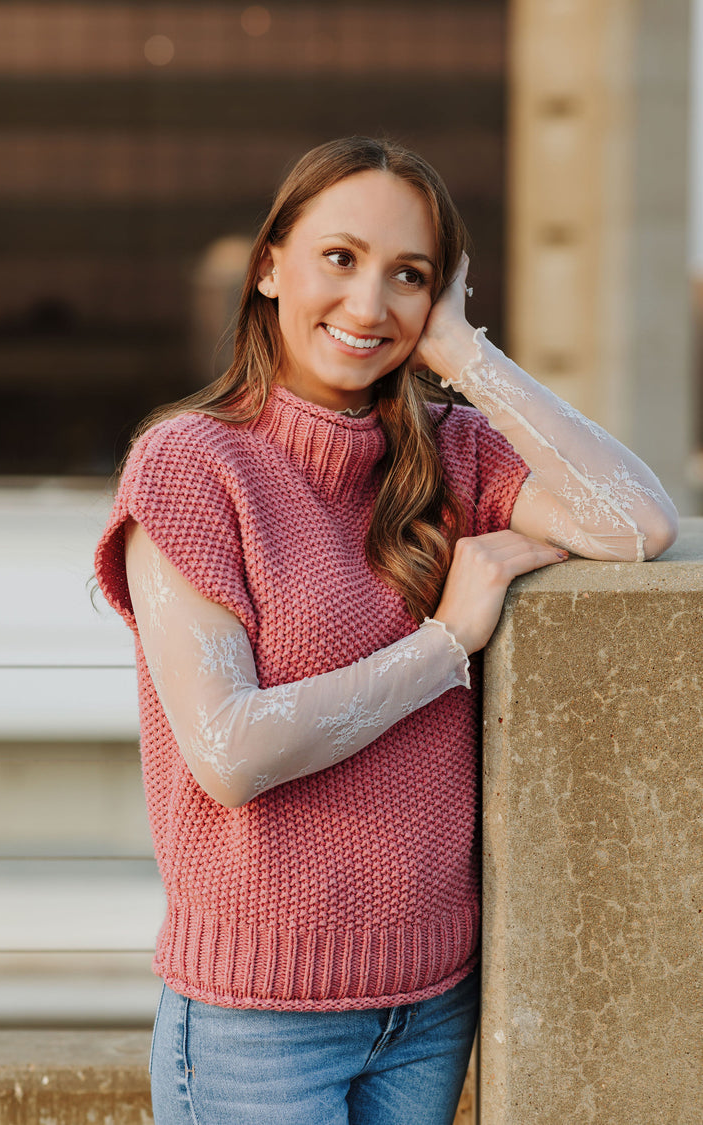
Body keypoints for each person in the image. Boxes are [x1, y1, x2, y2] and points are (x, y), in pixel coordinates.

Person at [94, 136, 678, 1124]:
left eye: (408, 276)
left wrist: (461, 351)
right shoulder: (192, 466)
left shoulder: (455, 453)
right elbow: (230, 752)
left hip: (431, 1001)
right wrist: (444, 645)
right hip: (258, 1020)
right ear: (270, 266)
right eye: (340, 258)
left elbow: (639, 524)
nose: (369, 306)